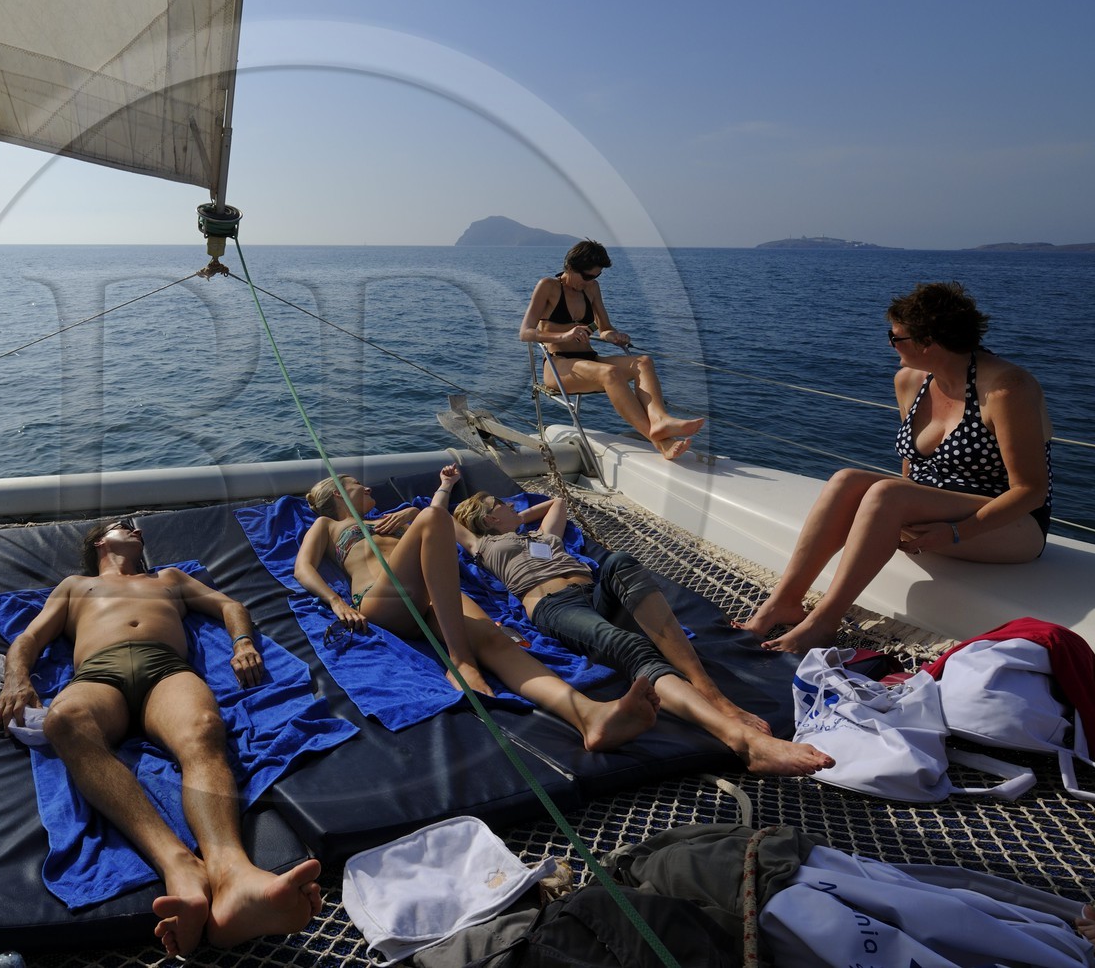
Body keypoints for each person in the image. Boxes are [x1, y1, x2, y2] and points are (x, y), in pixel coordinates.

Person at [0, 517, 322, 957]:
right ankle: (178, 864)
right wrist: (17, 679)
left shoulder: (169, 577)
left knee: (204, 729)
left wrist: (242, 644)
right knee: (63, 720)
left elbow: (229, 606)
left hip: (166, 668)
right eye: (124, 526)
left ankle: (234, 875)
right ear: (101, 541)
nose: (137, 530)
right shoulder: (75, 586)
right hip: (99, 674)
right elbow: (28, 636)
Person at [742, 281, 1054, 655]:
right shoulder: (910, 381)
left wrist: (956, 532)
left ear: (928, 343)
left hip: (1009, 523)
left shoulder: (1006, 389)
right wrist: (903, 511)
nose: (889, 343)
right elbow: (912, 466)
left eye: (895, 337)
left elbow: (1030, 490)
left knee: (888, 493)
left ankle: (824, 623)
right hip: (937, 508)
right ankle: (784, 601)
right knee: (847, 480)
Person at [451, 484, 835, 776]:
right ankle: (744, 741)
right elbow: (449, 524)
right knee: (631, 647)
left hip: (592, 592)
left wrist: (519, 519)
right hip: (555, 606)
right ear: (487, 519)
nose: (512, 505)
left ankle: (707, 689)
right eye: (502, 505)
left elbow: (557, 504)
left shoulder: (541, 536)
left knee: (619, 560)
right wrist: (446, 487)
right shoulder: (484, 546)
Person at [295, 466, 660, 751]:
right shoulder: (328, 525)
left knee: (494, 639)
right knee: (433, 517)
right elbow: (303, 568)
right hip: (382, 598)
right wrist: (336, 601)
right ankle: (461, 660)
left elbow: (437, 530)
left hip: (430, 594)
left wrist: (410, 513)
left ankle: (589, 716)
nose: (368, 488)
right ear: (339, 493)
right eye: (358, 485)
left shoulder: (392, 519)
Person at [519, 239, 704, 461]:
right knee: (610, 373)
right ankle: (660, 441)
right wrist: (563, 336)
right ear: (570, 267)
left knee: (643, 362)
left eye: (596, 276)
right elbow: (525, 332)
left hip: (590, 359)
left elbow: (603, 328)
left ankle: (660, 419)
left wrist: (614, 335)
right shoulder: (548, 286)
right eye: (587, 276)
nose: (590, 281)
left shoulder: (592, 289)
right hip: (559, 365)